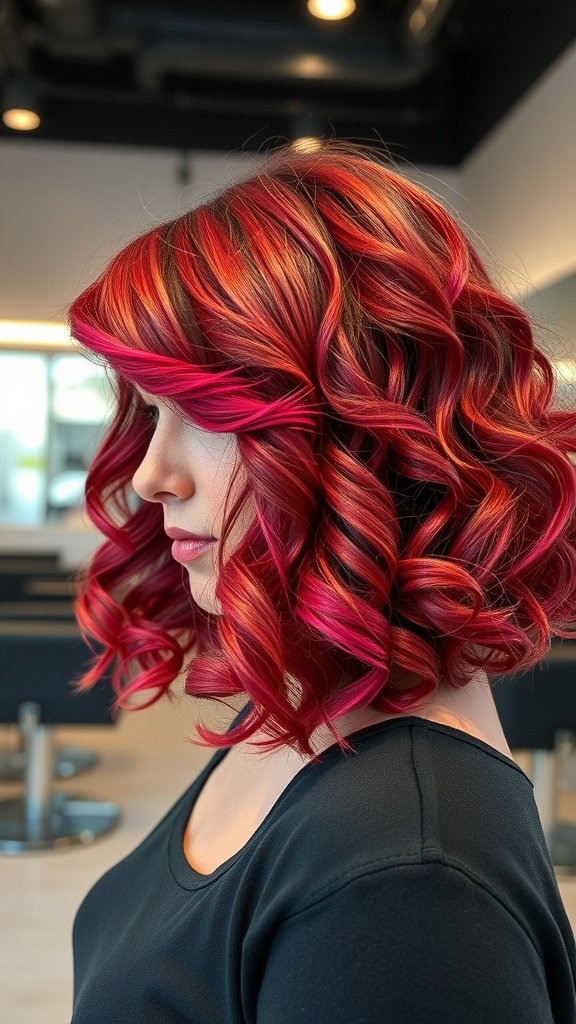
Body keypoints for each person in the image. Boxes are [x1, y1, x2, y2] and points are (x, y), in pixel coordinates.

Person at [67, 139, 576, 1022]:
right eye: (153, 412)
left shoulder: (407, 879)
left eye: (209, 412)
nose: (151, 475)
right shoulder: (308, 712)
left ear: (358, 428)